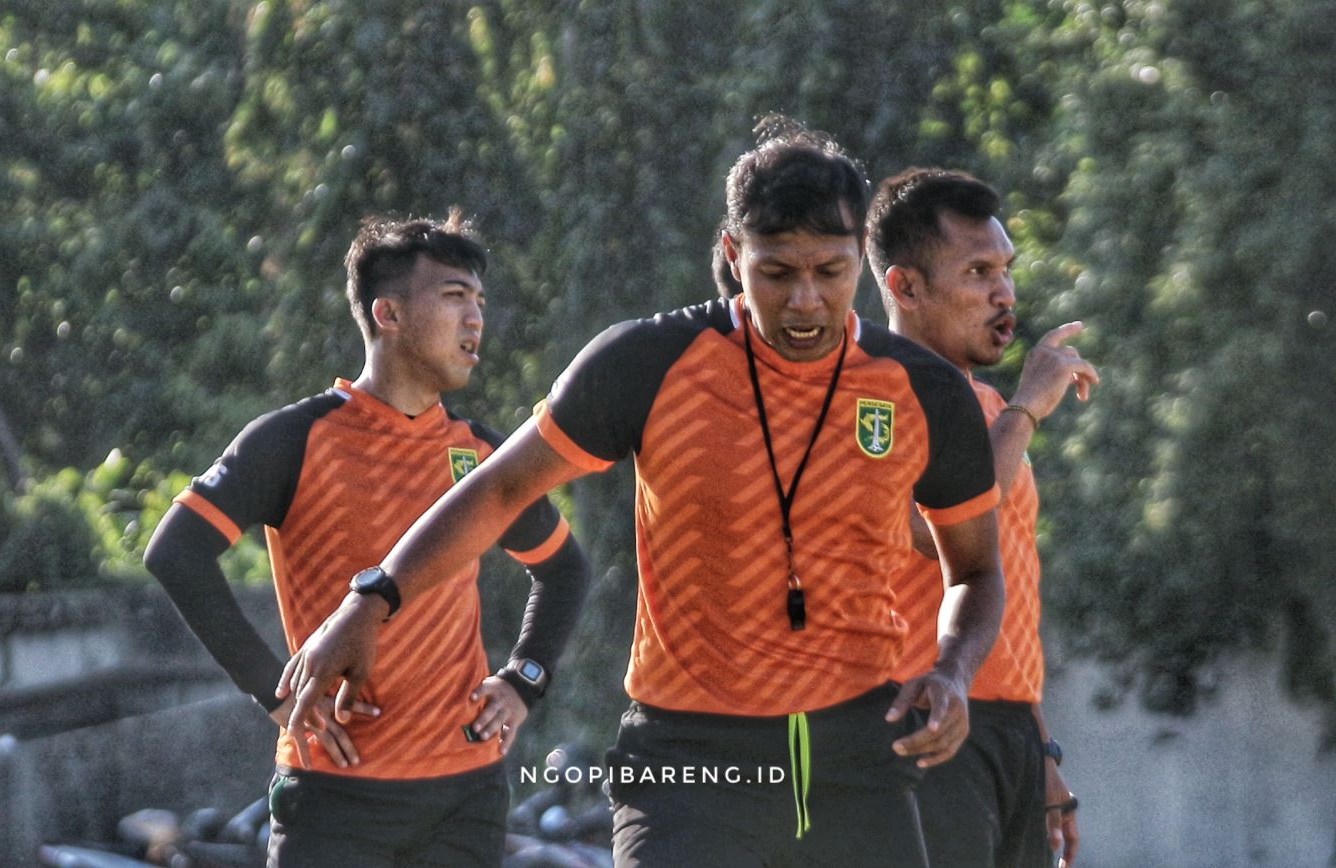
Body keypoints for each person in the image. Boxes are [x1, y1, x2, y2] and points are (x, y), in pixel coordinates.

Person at [277, 119, 1006, 867]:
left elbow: (977, 571)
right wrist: (370, 601)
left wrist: (952, 669)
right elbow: (498, 493)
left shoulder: (924, 390)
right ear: (732, 254)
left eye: (831, 270)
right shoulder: (649, 363)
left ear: (863, 260)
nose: (806, 301)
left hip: (858, 763)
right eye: (777, 271)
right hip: (689, 766)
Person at [143, 212, 590, 867]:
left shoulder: (483, 455)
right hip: (334, 794)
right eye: (454, 297)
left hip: (465, 793)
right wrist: (273, 690)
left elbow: (564, 570)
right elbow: (175, 552)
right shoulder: (295, 439)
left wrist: (525, 679)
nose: (476, 321)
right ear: (388, 314)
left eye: (480, 302)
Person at [867, 167, 1098, 868]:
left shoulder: (991, 410)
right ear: (906, 286)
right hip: (921, 720)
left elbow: (1011, 590)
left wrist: (1041, 748)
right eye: (977, 271)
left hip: (1005, 733)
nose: (1005, 294)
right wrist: (1027, 412)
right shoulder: (872, 397)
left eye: (1006, 269)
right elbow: (921, 530)